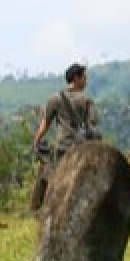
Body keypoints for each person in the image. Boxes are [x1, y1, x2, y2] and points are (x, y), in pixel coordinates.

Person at [30, 63, 100, 210]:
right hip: (81, 148)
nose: (86, 81)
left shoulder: (55, 98)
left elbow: (45, 123)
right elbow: (92, 127)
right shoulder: (87, 100)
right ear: (76, 78)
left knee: (54, 177)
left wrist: (36, 141)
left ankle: (42, 207)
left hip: (62, 146)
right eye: (84, 78)